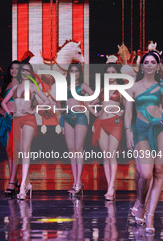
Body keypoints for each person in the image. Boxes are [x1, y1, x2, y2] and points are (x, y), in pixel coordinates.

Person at [124, 51, 163, 234]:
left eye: (152, 62)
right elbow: (128, 113)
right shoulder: (134, 87)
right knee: (146, 174)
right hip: (140, 131)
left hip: (159, 129)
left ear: (158, 65)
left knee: (159, 171)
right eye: (146, 62)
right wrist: (128, 133)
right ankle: (140, 201)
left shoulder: (161, 86)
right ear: (142, 65)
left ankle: (150, 216)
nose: (149, 64)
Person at [2, 62, 52, 200]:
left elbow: (46, 101)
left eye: (27, 71)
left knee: (25, 150)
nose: (24, 73)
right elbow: (3, 102)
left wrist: (34, 109)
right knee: (19, 151)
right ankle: (28, 182)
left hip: (29, 119)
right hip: (17, 120)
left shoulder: (32, 87)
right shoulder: (15, 87)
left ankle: (23, 187)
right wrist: (9, 112)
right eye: (22, 70)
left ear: (31, 73)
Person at [59, 63, 94, 196]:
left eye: (77, 71)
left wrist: (85, 106)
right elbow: (60, 103)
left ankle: (78, 182)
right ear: (69, 73)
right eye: (72, 71)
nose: (74, 73)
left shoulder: (83, 86)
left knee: (78, 149)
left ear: (80, 73)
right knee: (71, 150)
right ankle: (75, 181)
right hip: (68, 118)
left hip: (80, 118)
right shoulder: (65, 87)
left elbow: (95, 97)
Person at [91, 63, 124, 200]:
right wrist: (96, 113)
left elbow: (129, 107)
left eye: (113, 71)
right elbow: (89, 103)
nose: (110, 74)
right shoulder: (103, 89)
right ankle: (110, 187)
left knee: (112, 155)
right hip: (102, 122)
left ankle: (111, 187)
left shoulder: (122, 89)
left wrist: (121, 112)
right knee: (105, 156)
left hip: (115, 123)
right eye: (108, 72)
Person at [0, 60, 20, 195]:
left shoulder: (22, 85)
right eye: (12, 69)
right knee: (9, 151)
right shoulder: (5, 85)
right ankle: (13, 179)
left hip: (18, 121)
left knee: (15, 151)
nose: (14, 71)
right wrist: (0, 110)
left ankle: (12, 182)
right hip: (7, 120)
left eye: (17, 69)